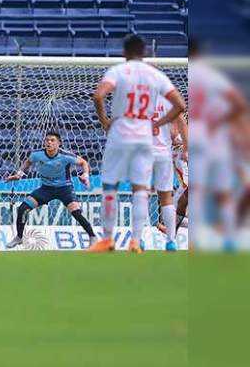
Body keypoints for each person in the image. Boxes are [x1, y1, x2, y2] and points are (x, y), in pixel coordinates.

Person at [91, 34, 186, 253]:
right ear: (143, 53)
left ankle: (108, 239)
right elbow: (180, 106)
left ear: (124, 53)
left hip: (120, 136)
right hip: (148, 140)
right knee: (144, 191)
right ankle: (140, 241)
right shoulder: (155, 76)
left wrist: (105, 120)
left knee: (110, 186)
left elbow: (98, 96)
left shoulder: (118, 71)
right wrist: (161, 122)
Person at [188, 38, 247, 250]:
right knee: (224, 192)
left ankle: (192, 242)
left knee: (196, 191)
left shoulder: (189, 75)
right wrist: (220, 121)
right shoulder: (213, 77)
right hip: (218, 141)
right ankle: (230, 241)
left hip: (196, 135)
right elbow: (239, 103)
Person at [4, 131, 96, 248]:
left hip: (65, 189)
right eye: (47, 140)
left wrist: (85, 175)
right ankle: (19, 237)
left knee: (76, 213)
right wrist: (19, 174)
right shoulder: (37, 155)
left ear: (59, 143)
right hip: (46, 189)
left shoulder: (65, 156)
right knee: (23, 208)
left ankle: (92, 236)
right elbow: (28, 162)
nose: (49, 142)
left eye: (52, 140)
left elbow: (84, 162)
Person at [149, 98, 188, 251]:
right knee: (186, 188)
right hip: (176, 155)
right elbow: (172, 134)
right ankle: (171, 228)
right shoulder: (170, 115)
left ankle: (173, 226)